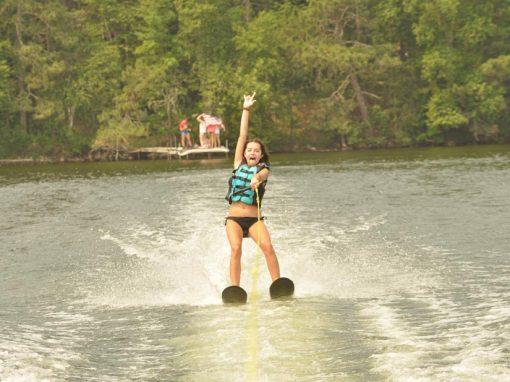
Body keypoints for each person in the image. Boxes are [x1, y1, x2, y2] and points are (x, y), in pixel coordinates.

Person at [224, 92, 280, 287]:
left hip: (254, 219)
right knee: (236, 249)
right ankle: (235, 288)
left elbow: (263, 175)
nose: (252, 152)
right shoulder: (238, 163)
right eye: (249, 150)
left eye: (256, 150)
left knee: (267, 246)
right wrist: (245, 109)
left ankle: (278, 283)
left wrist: (257, 178)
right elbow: (242, 135)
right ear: (244, 154)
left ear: (261, 155)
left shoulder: (263, 170)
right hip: (234, 219)